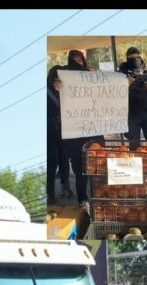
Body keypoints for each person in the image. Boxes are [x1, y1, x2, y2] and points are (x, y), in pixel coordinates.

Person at [60, 49, 101, 209]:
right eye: (74, 59)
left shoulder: (91, 74)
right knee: (80, 169)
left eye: (80, 59)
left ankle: (99, 198)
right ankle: (83, 200)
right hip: (75, 132)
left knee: (97, 165)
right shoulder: (63, 77)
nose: (78, 62)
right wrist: (58, 86)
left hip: (93, 129)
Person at [118, 47, 147, 170]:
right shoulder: (121, 74)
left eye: (137, 56)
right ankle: (134, 170)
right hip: (130, 114)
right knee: (133, 144)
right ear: (127, 59)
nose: (135, 59)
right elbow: (115, 92)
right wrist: (128, 84)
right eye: (131, 58)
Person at [46, 65, 72, 206]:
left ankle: (66, 188)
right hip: (49, 133)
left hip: (63, 130)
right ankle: (50, 194)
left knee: (64, 160)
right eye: (57, 79)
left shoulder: (65, 89)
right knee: (52, 163)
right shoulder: (45, 91)